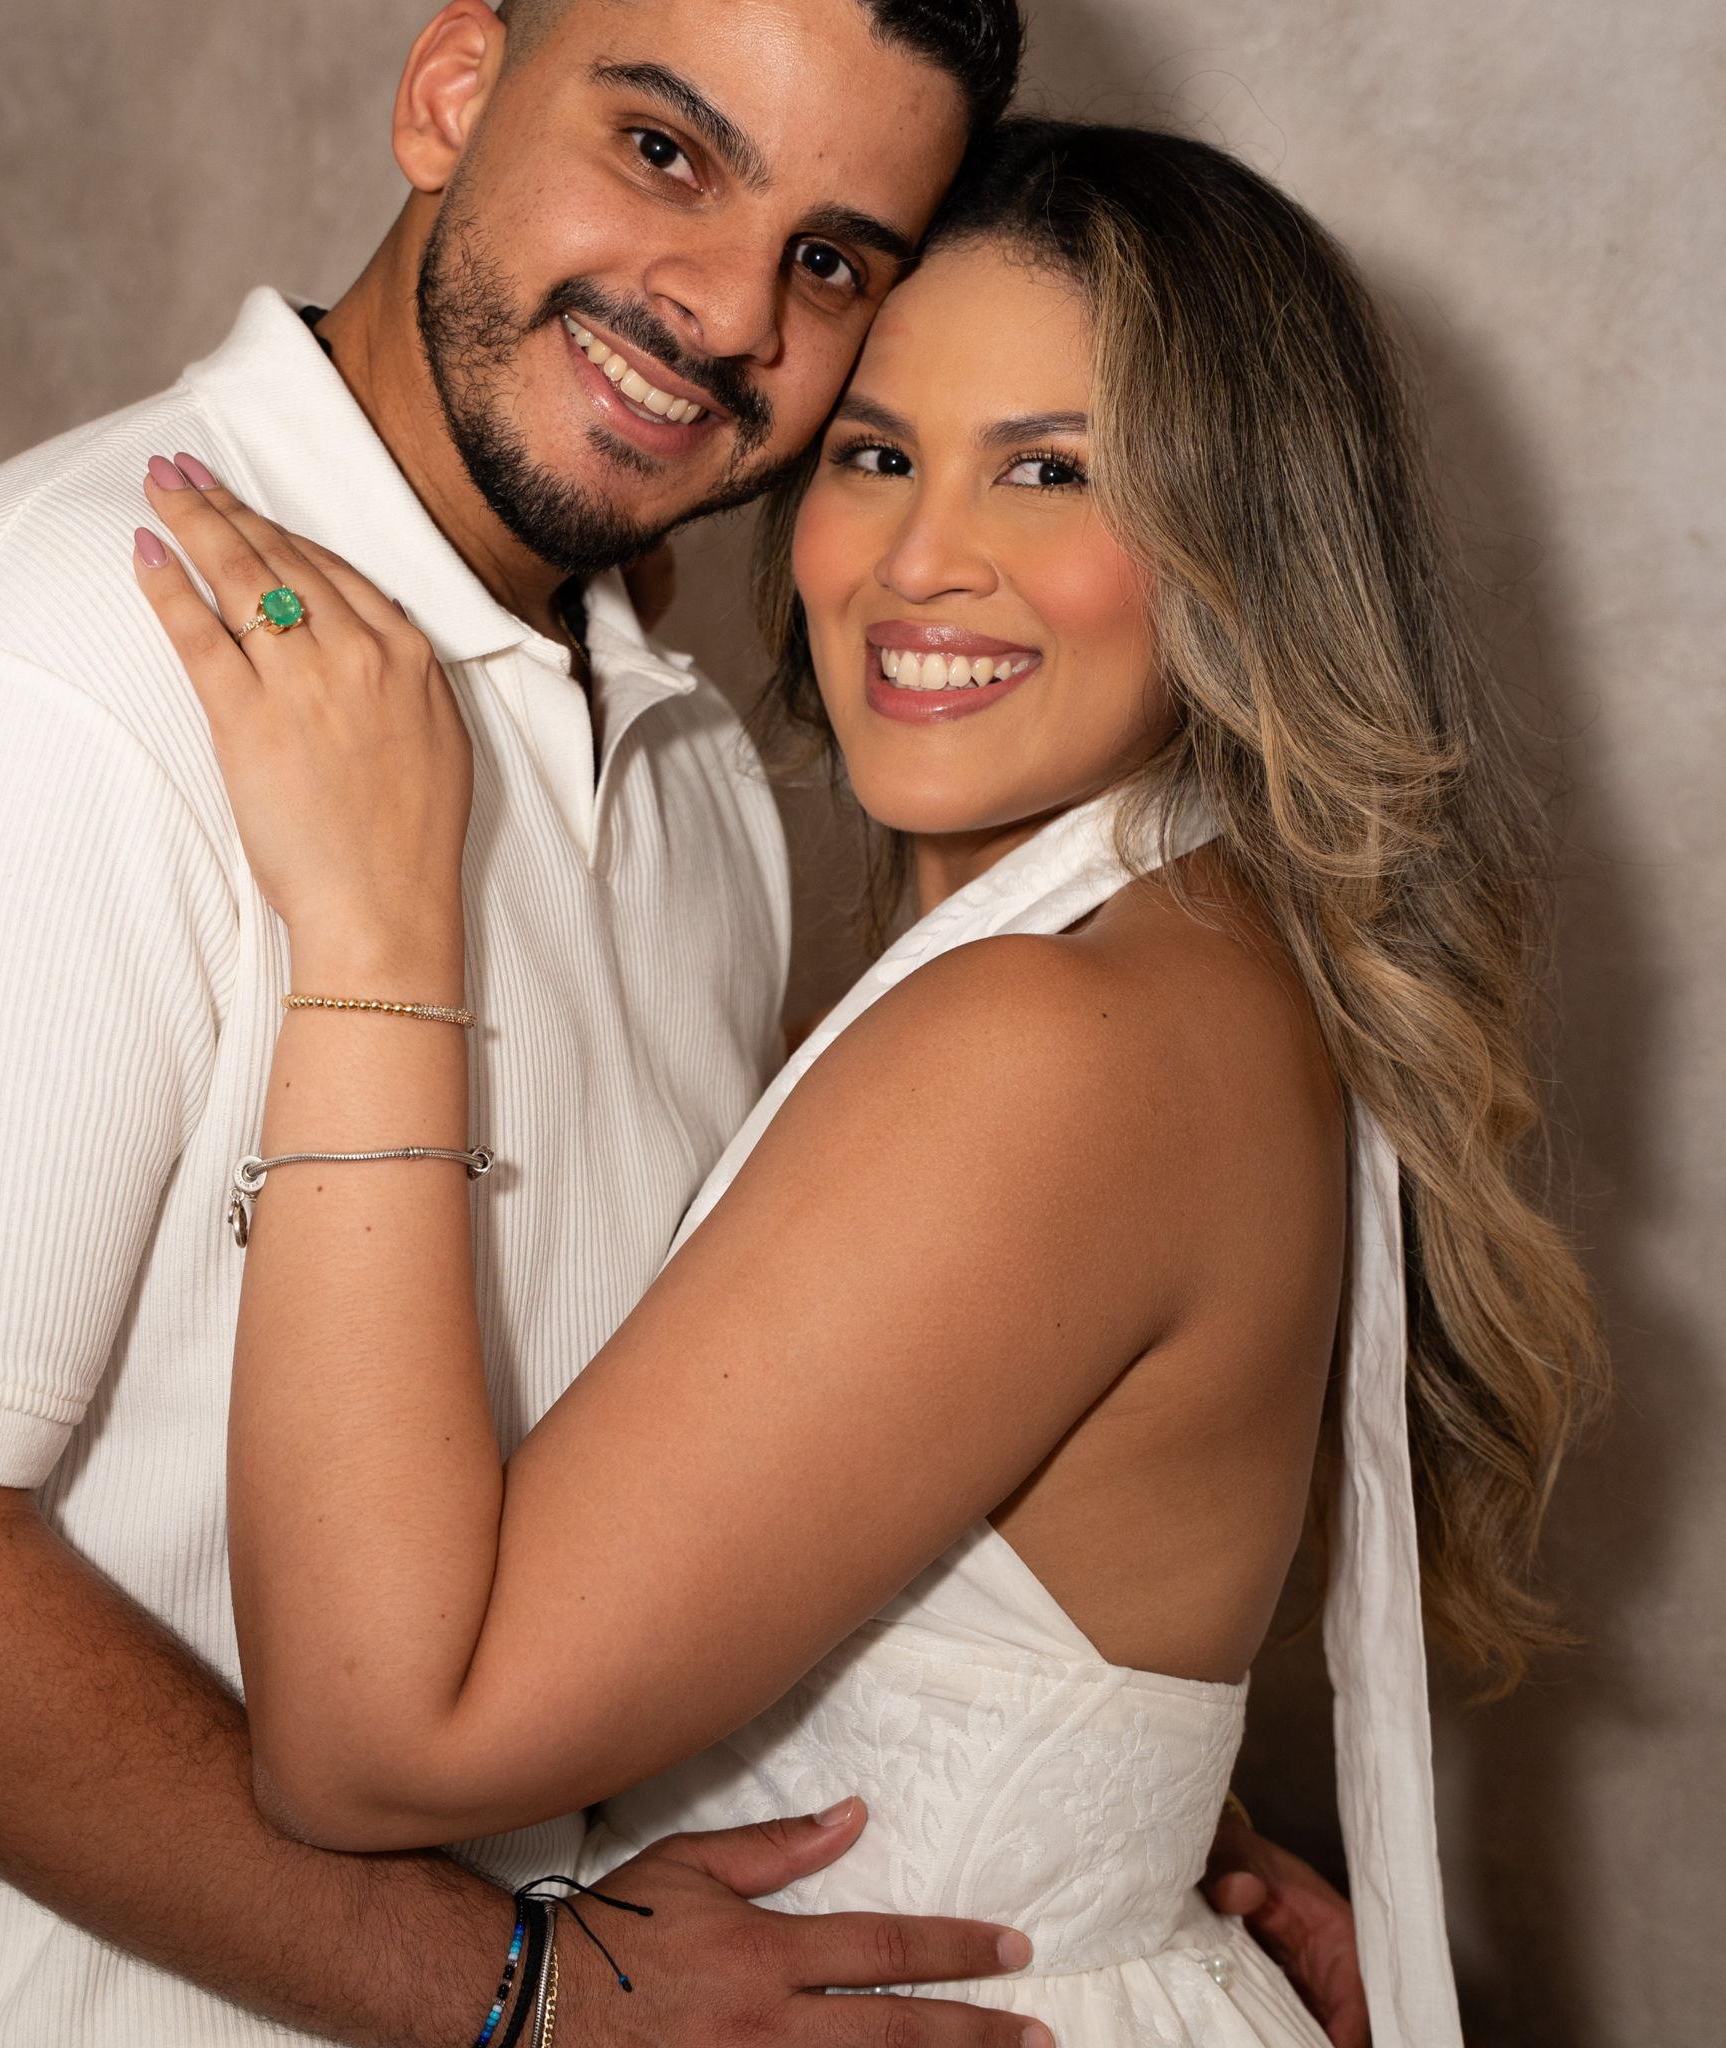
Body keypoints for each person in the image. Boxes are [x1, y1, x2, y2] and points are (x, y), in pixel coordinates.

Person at [0, 0, 1355, 2035]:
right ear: (449, 92)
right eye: (665, 151)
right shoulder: (44, 659)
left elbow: (728, 1466)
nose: (725, 311)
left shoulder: (698, 768)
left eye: (831, 257)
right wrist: (518, 1994)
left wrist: (1098, 1810)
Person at [129, 118, 1604, 2048]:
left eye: (1051, 471)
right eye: (880, 454)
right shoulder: (1190, 950)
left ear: (1244, 552)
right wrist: (1129, 1828)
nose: (923, 563)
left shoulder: (1047, 1042)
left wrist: (377, 928)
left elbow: (375, 1745)